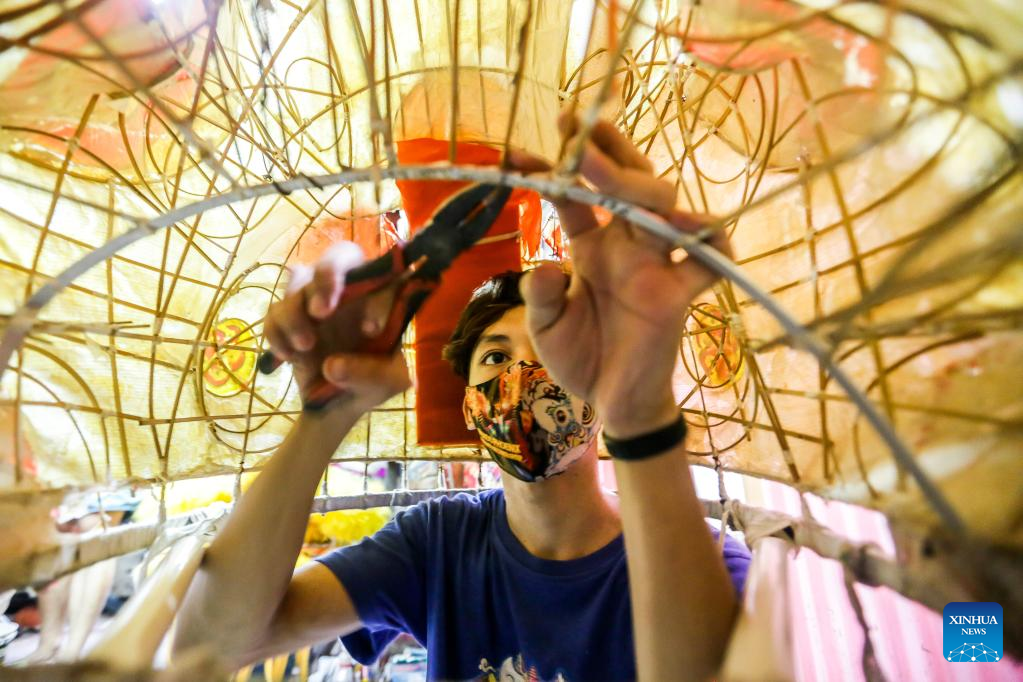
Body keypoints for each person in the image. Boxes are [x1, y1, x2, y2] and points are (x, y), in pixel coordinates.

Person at [175, 117, 751, 682]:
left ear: (597, 391)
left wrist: (641, 414)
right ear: (472, 406)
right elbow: (213, 645)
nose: (522, 376)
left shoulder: (701, 561)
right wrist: (325, 415)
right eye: (496, 358)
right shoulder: (438, 543)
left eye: (552, 356)